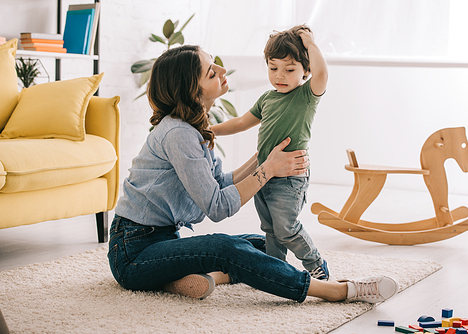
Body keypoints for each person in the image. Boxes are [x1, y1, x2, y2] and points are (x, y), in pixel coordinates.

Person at [108, 44, 400, 304]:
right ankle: (335, 291)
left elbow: (220, 184)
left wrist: (266, 157)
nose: (222, 69)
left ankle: (199, 278)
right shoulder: (178, 134)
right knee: (228, 248)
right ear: (192, 91)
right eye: (211, 72)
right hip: (133, 253)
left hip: (163, 239)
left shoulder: (193, 129)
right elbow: (218, 207)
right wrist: (269, 170)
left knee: (266, 245)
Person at [211, 25, 329, 280]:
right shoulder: (267, 99)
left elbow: (322, 73)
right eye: (273, 68)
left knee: (286, 228)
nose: (280, 76)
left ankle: (315, 263)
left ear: (305, 71)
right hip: (263, 176)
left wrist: (310, 44)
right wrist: (210, 130)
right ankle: (274, 271)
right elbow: (241, 122)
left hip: (289, 178)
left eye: (289, 69)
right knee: (271, 229)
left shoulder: (306, 96)